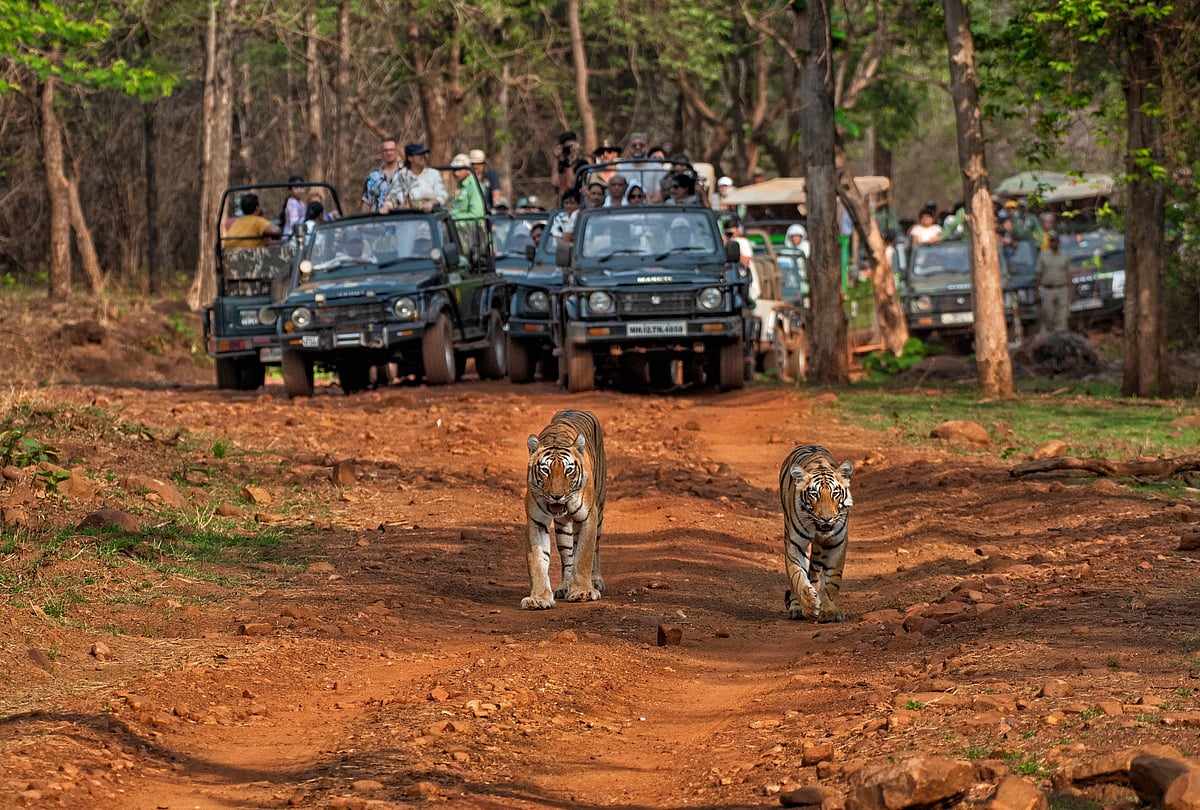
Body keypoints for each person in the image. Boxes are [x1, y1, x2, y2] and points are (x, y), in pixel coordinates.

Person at [381, 143, 447, 213]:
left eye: (424, 154)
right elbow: (395, 196)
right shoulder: (403, 175)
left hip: (433, 215)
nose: (423, 157)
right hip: (411, 217)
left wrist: (431, 203)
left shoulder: (433, 173)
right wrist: (387, 206)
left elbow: (442, 195)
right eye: (419, 154)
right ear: (410, 158)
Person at [1036, 232, 1071, 332]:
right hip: (1048, 289)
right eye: (1051, 241)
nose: (1053, 243)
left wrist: (1072, 291)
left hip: (1062, 288)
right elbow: (1038, 274)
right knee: (1048, 314)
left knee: (1062, 315)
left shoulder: (1065, 255)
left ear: (1058, 242)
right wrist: (1037, 291)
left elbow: (1069, 274)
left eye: (1055, 240)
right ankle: (1049, 335)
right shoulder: (1043, 255)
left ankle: (1061, 336)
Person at [361, 136, 403, 213]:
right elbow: (367, 203)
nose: (389, 153)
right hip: (380, 221)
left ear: (396, 151)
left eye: (391, 150)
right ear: (381, 153)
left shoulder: (406, 173)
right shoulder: (373, 177)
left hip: (403, 219)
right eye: (385, 150)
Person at [280, 176, 307, 240]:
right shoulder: (292, 203)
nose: (299, 190)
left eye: (301, 187)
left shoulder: (301, 203)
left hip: (299, 233)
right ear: (290, 190)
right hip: (291, 237)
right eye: (296, 187)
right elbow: (294, 224)